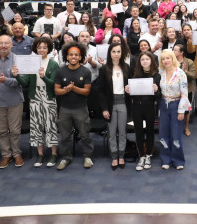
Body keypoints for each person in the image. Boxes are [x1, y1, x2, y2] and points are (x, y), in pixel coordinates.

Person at [15, 36, 58, 168]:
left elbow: (53, 85)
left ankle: (54, 154)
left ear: (49, 49)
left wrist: (43, 77)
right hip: (35, 96)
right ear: (35, 48)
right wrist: (17, 76)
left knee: (50, 125)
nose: (42, 50)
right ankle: (40, 154)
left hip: (49, 96)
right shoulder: (31, 63)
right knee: (36, 125)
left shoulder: (53, 64)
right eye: (39, 47)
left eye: (44, 47)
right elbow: (26, 83)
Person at [0, 34, 25, 169]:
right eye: (1, 43)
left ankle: (17, 153)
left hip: (14, 100)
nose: (3, 46)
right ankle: (6, 154)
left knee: (14, 130)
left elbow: (21, 83)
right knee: (1, 131)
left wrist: (6, 80)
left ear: (11, 45)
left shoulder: (17, 59)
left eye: (6, 43)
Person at [54, 41, 94, 171]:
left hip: (81, 109)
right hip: (64, 109)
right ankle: (66, 157)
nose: (73, 57)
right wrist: (66, 90)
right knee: (65, 136)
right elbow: (57, 91)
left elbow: (87, 92)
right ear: (66, 56)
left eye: (76, 55)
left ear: (80, 56)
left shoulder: (86, 71)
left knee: (85, 135)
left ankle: (88, 156)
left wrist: (73, 88)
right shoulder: (60, 71)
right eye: (71, 54)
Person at [97, 42, 130, 170]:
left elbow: (131, 85)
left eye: (118, 52)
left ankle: (121, 155)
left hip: (123, 102)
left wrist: (130, 89)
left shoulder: (126, 67)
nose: (116, 54)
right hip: (110, 104)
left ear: (122, 53)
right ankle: (114, 156)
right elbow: (100, 91)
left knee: (122, 131)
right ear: (109, 53)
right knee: (111, 132)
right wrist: (104, 108)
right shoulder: (104, 69)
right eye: (113, 51)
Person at [128, 51, 161, 171]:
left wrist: (157, 90)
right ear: (139, 62)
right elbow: (132, 95)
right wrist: (129, 90)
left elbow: (159, 96)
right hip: (136, 107)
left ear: (151, 61)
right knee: (139, 132)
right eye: (142, 59)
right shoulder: (135, 75)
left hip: (149, 107)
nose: (145, 61)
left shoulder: (156, 75)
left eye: (147, 59)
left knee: (150, 131)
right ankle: (141, 156)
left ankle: (148, 156)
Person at [157, 49, 188, 170]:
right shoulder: (161, 72)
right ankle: (165, 159)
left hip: (176, 104)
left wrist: (181, 111)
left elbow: (184, 94)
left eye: (168, 58)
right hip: (163, 105)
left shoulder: (180, 73)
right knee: (163, 134)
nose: (165, 61)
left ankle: (178, 160)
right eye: (163, 59)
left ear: (172, 58)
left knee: (176, 135)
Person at [173, 42, 196, 137]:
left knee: (186, 110)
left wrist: (185, 71)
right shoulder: (172, 61)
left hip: (187, 90)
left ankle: (186, 127)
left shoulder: (189, 62)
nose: (173, 51)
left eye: (175, 50)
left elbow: (193, 76)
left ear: (181, 52)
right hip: (174, 91)